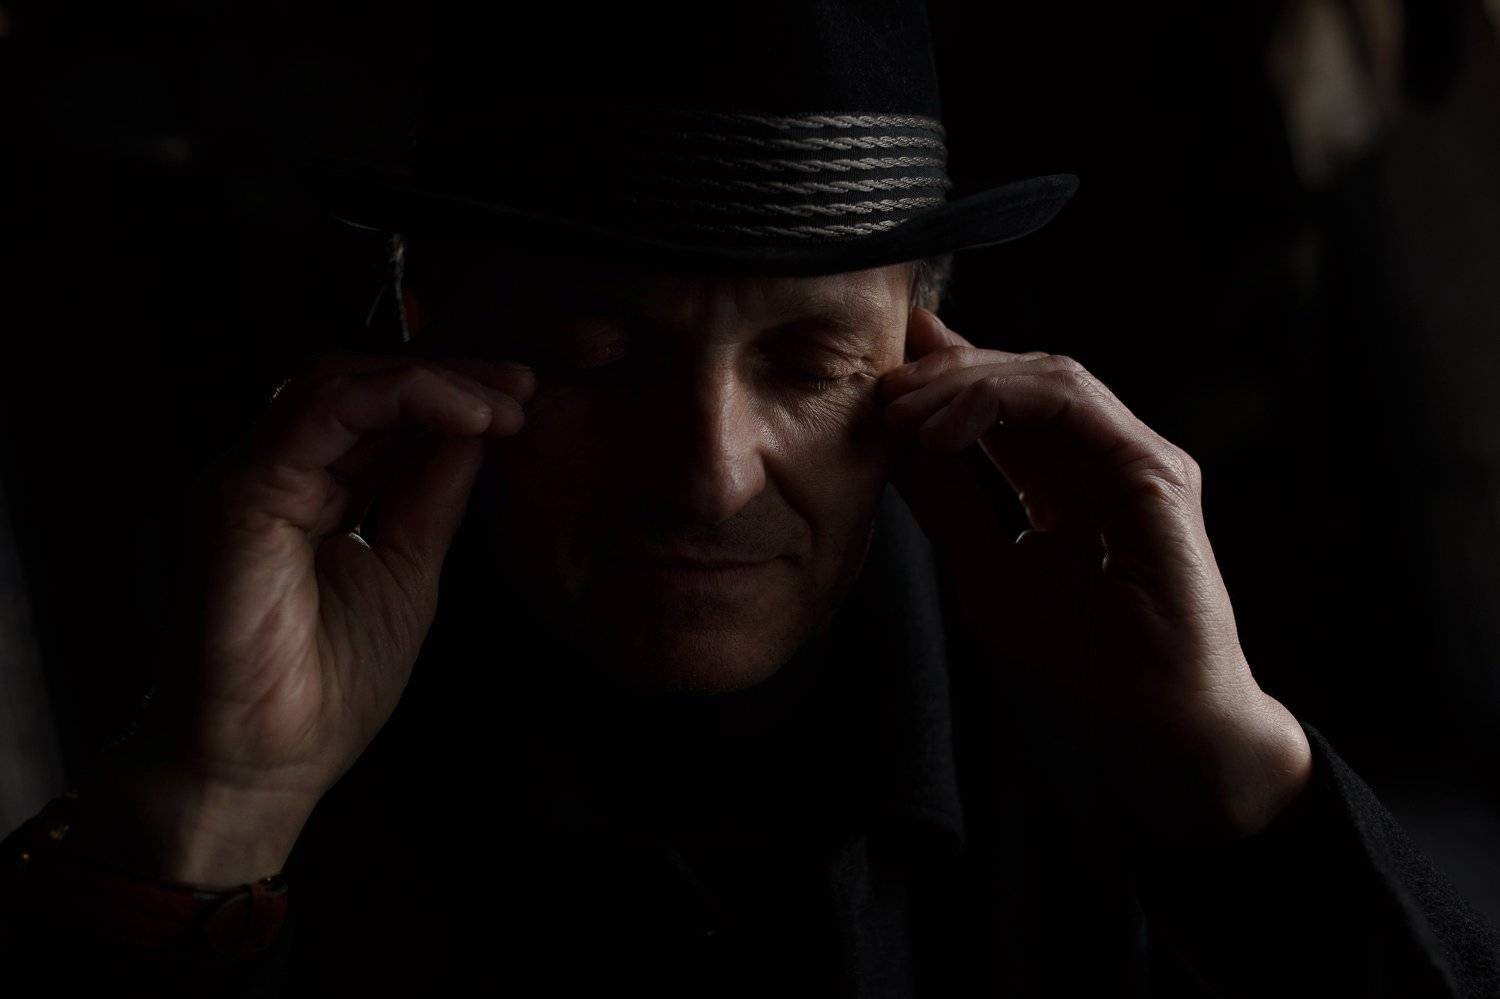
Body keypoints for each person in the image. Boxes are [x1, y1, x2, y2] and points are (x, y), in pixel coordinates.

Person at [4, 1, 1499, 995]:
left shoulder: (1110, 751)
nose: (709, 472)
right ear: (428, 336)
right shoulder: (250, 719)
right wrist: (213, 812)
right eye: (600, 357)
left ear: (929, 352)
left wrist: (1235, 769)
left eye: (810, 365)